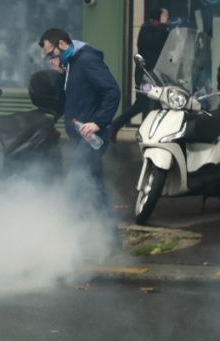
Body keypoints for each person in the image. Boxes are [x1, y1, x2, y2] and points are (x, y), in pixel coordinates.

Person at [39, 28, 121, 245]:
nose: (50, 59)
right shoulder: (71, 64)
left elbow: (112, 91)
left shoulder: (86, 61)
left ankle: (66, 247)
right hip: (81, 137)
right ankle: (113, 243)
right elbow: (66, 97)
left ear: (62, 45)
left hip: (94, 138)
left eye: (51, 54)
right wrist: (59, 75)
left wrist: (98, 122)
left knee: (72, 188)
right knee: (97, 192)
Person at [110, 8, 169, 142]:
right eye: (161, 21)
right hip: (146, 78)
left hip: (158, 75)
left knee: (160, 103)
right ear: (154, 21)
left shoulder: (159, 30)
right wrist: (163, 26)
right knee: (143, 103)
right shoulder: (146, 30)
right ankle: (115, 125)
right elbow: (156, 42)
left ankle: (154, 132)